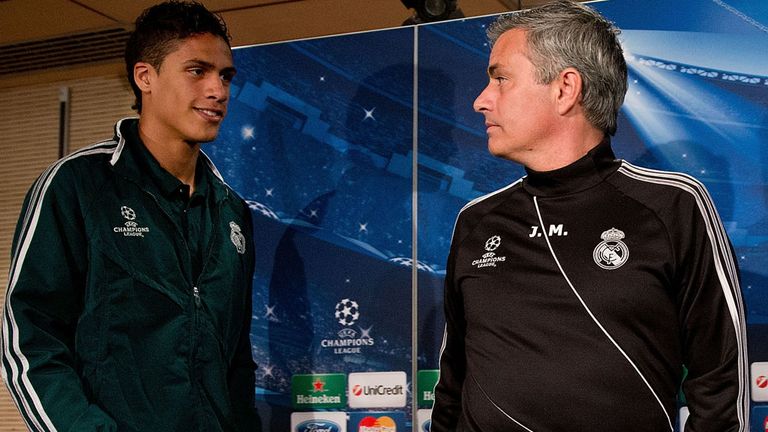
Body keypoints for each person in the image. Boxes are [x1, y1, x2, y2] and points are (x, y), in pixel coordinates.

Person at [431, 1, 748, 431]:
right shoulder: (477, 220)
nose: (480, 101)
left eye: (501, 79)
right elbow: (453, 384)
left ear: (565, 89)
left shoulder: (673, 206)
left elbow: (720, 383)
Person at [1, 2, 261, 431]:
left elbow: (237, 362)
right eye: (197, 71)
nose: (218, 90)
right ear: (146, 78)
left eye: (226, 75)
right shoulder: (77, 185)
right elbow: (29, 339)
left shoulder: (232, 211)